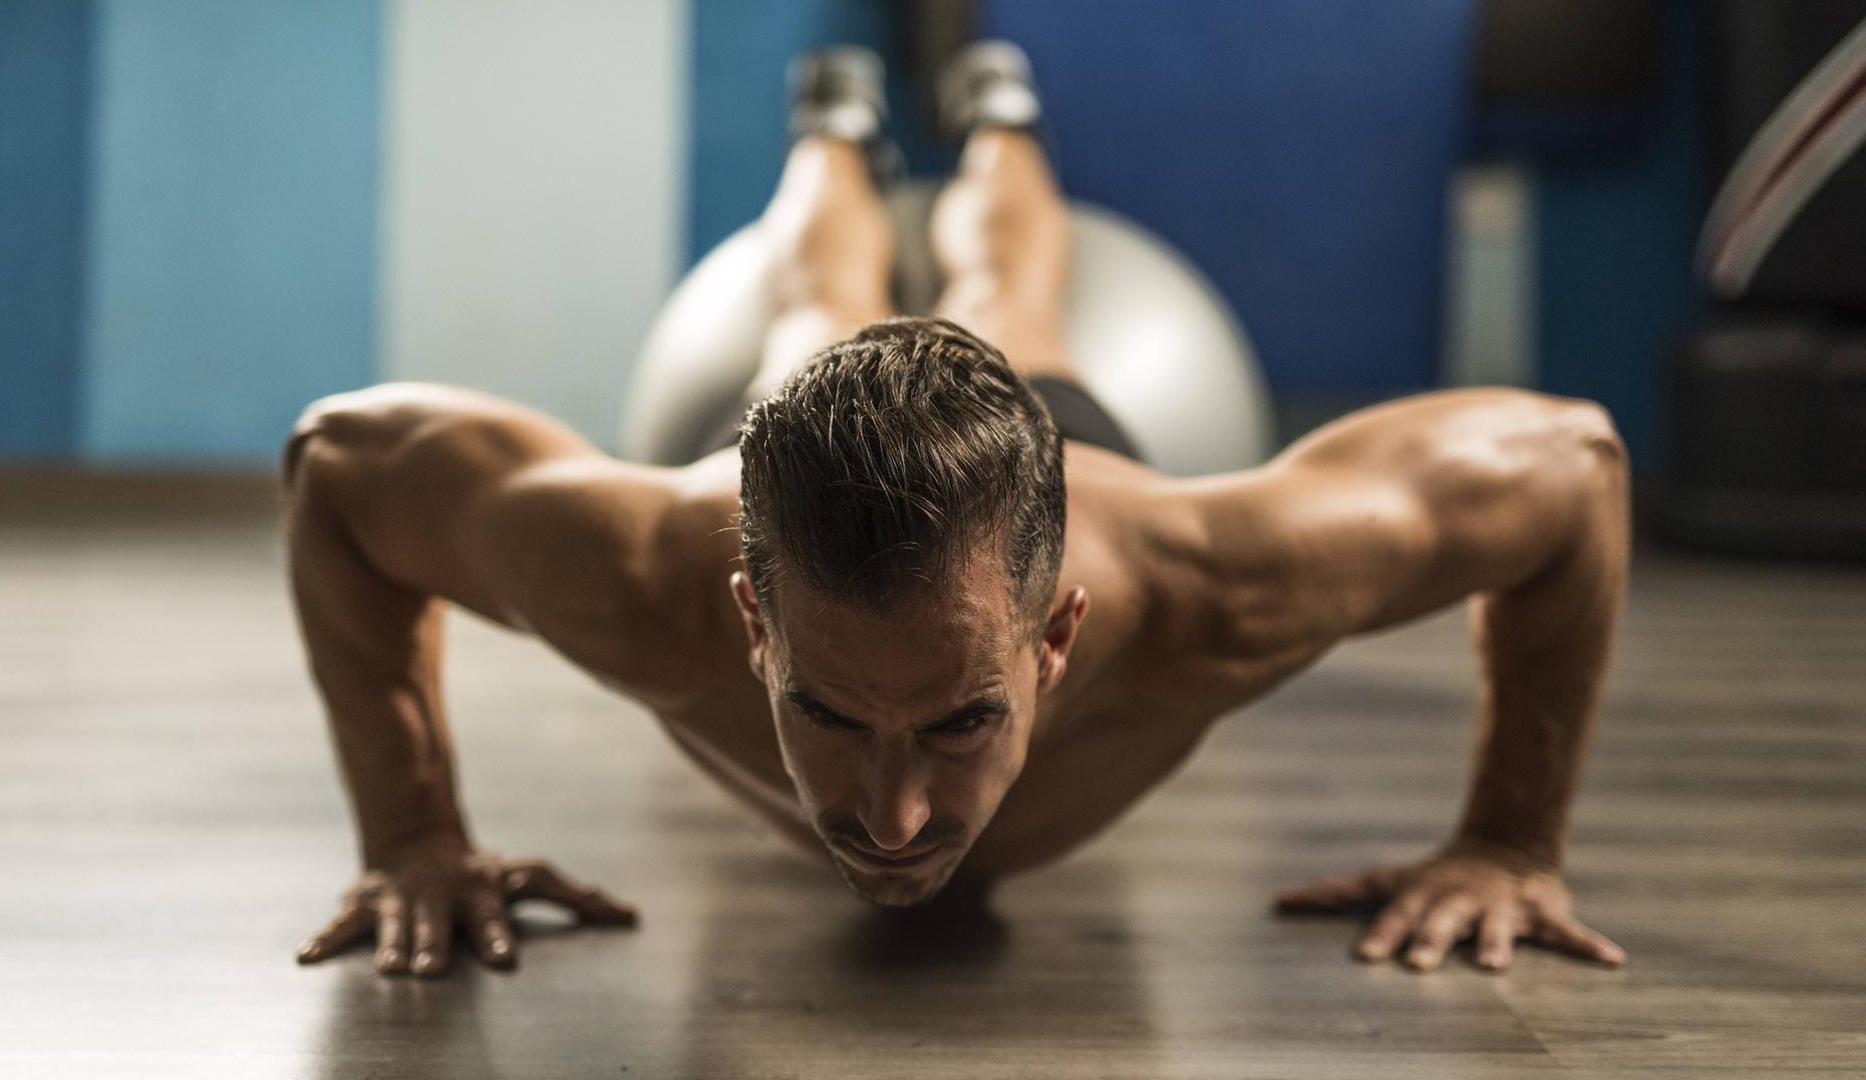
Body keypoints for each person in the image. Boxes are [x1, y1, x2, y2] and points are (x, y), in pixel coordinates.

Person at [283, 43, 1631, 980]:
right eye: (825, 712)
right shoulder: (636, 575)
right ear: (755, 621)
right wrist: (413, 836)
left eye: (960, 717)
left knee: (1011, 306)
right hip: (788, 444)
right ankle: (833, 128)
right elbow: (341, 461)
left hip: (1042, 451)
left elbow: (1571, 467)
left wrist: (1512, 841)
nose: (895, 815)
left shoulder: (1230, 586)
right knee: (812, 309)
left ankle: (1000, 117)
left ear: (1057, 633)